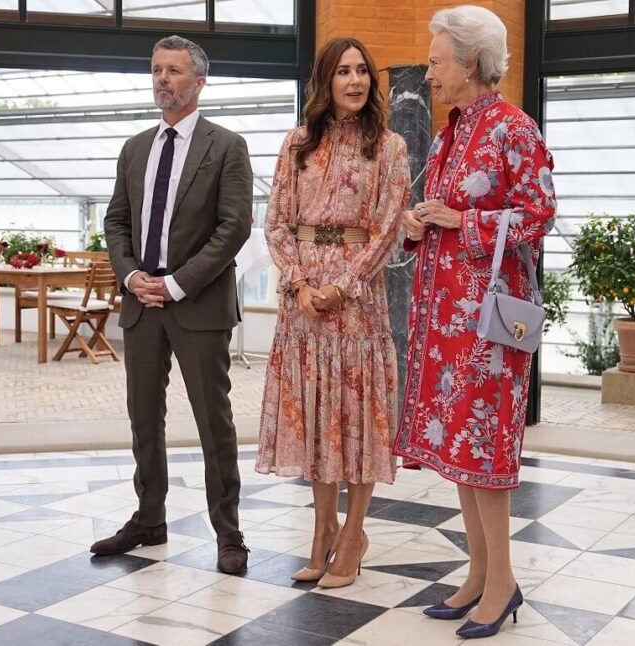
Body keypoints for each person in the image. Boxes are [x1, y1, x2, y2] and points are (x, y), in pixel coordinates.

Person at [392, 6, 557, 639]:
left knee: (485, 454)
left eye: (436, 61)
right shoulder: (447, 134)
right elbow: (438, 210)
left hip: (489, 329)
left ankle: (505, 583)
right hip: (442, 326)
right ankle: (479, 573)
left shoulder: (514, 129)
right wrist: (417, 225)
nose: (429, 72)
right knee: (460, 452)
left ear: (470, 63)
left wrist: (466, 222)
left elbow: (539, 215)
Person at [255, 36, 411, 589]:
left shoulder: (388, 147)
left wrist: (344, 285)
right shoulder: (296, 143)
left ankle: (353, 536)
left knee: (356, 415)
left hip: (358, 302)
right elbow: (275, 221)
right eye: (343, 71)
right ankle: (322, 532)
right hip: (302, 306)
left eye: (362, 71)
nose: (355, 81)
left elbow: (390, 224)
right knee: (318, 417)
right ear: (325, 81)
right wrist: (299, 284)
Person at [95, 35, 253, 574]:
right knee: (144, 419)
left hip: (198, 304)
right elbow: (116, 222)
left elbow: (234, 227)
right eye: (156, 70)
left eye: (174, 71)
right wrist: (132, 275)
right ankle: (149, 518)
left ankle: (228, 532)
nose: (162, 79)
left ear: (199, 80)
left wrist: (178, 283)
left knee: (214, 422)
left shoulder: (226, 145)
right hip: (141, 303)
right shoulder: (135, 147)